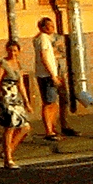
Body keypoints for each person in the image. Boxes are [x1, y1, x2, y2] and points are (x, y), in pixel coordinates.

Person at [32, 13, 71, 145]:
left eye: (52, 25)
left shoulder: (40, 38)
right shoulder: (43, 38)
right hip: (47, 75)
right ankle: (49, 131)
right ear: (42, 27)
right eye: (49, 26)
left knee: (52, 103)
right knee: (49, 104)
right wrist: (53, 75)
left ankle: (52, 129)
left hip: (46, 74)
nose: (52, 28)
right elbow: (44, 57)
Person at [0, 39, 30, 170]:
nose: (12, 53)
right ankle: (8, 159)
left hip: (16, 98)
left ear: (19, 51)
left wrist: (26, 101)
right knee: (10, 127)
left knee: (25, 127)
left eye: (15, 50)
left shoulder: (18, 64)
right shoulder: (3, 64)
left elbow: (21, 84)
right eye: (10, 50)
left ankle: (8, 151)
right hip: (6, 98)